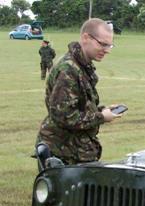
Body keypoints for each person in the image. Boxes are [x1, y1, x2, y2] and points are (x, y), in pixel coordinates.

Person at [37, 18, 120, 166]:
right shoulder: (68, 70)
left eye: (109, 45)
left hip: (74, 150)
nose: (107, 50)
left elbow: (78, 107)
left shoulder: (81, 66)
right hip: (63, 154)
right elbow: (63, 116)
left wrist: (101, 110)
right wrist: (101, 117)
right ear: (86, 38)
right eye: (103, 44)